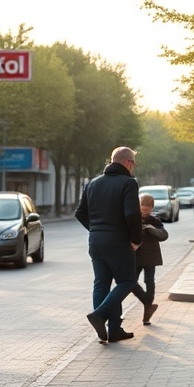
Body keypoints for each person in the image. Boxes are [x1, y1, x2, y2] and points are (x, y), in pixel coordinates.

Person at [75, 146, 144, 343]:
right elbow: (132, 214)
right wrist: (136, 240)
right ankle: (100, 315)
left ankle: (112, 331)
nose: (134, 168)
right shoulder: (129, 183)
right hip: (119, 241)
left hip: (96, 241)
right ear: (128, 163)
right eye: (134, 164)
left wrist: (96, 229)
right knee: (127, 281)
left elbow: (80, 213)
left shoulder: (93, 183)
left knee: (102, 283)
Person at [129, 192, 168, 325]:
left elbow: (163, 235)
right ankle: (147, 302)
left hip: (150, 256)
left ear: (152, 208)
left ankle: (147, 313)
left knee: (149, 281)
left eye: (147, 209)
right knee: (130, 282)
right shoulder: (133, 218)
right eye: (142, 208)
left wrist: (151, 229)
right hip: (136, 256)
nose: (144, 211)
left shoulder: (154, 220)